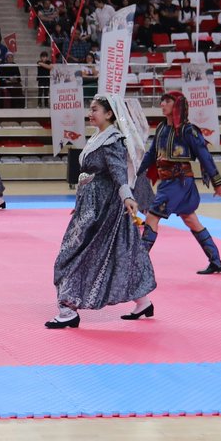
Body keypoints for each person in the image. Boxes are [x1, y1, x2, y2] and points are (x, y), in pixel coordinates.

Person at [46, 95, 157, 329]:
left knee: (73, 254)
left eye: (95, 109)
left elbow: (118, 172)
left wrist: (127, 196)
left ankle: (67, 309)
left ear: (108, 114)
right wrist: (81, 202)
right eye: (90, 108)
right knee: (121, 254)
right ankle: (143, 301)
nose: (90, 112)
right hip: (92, 205)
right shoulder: (98, 137)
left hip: (105, 209)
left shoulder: (112, 141)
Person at [135, 91, 221, 275]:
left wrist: (218, 183)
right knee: (191, 220)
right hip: (170, 183)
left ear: (177, 105)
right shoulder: (162, 128)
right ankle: (216, 260)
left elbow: (204, 156)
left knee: (152, 217)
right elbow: (151, 155)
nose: (162, 104)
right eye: (162, 101)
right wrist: (136, 173)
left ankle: (137, 263)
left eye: (167, 101)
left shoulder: (188, 130)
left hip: (180, 182)